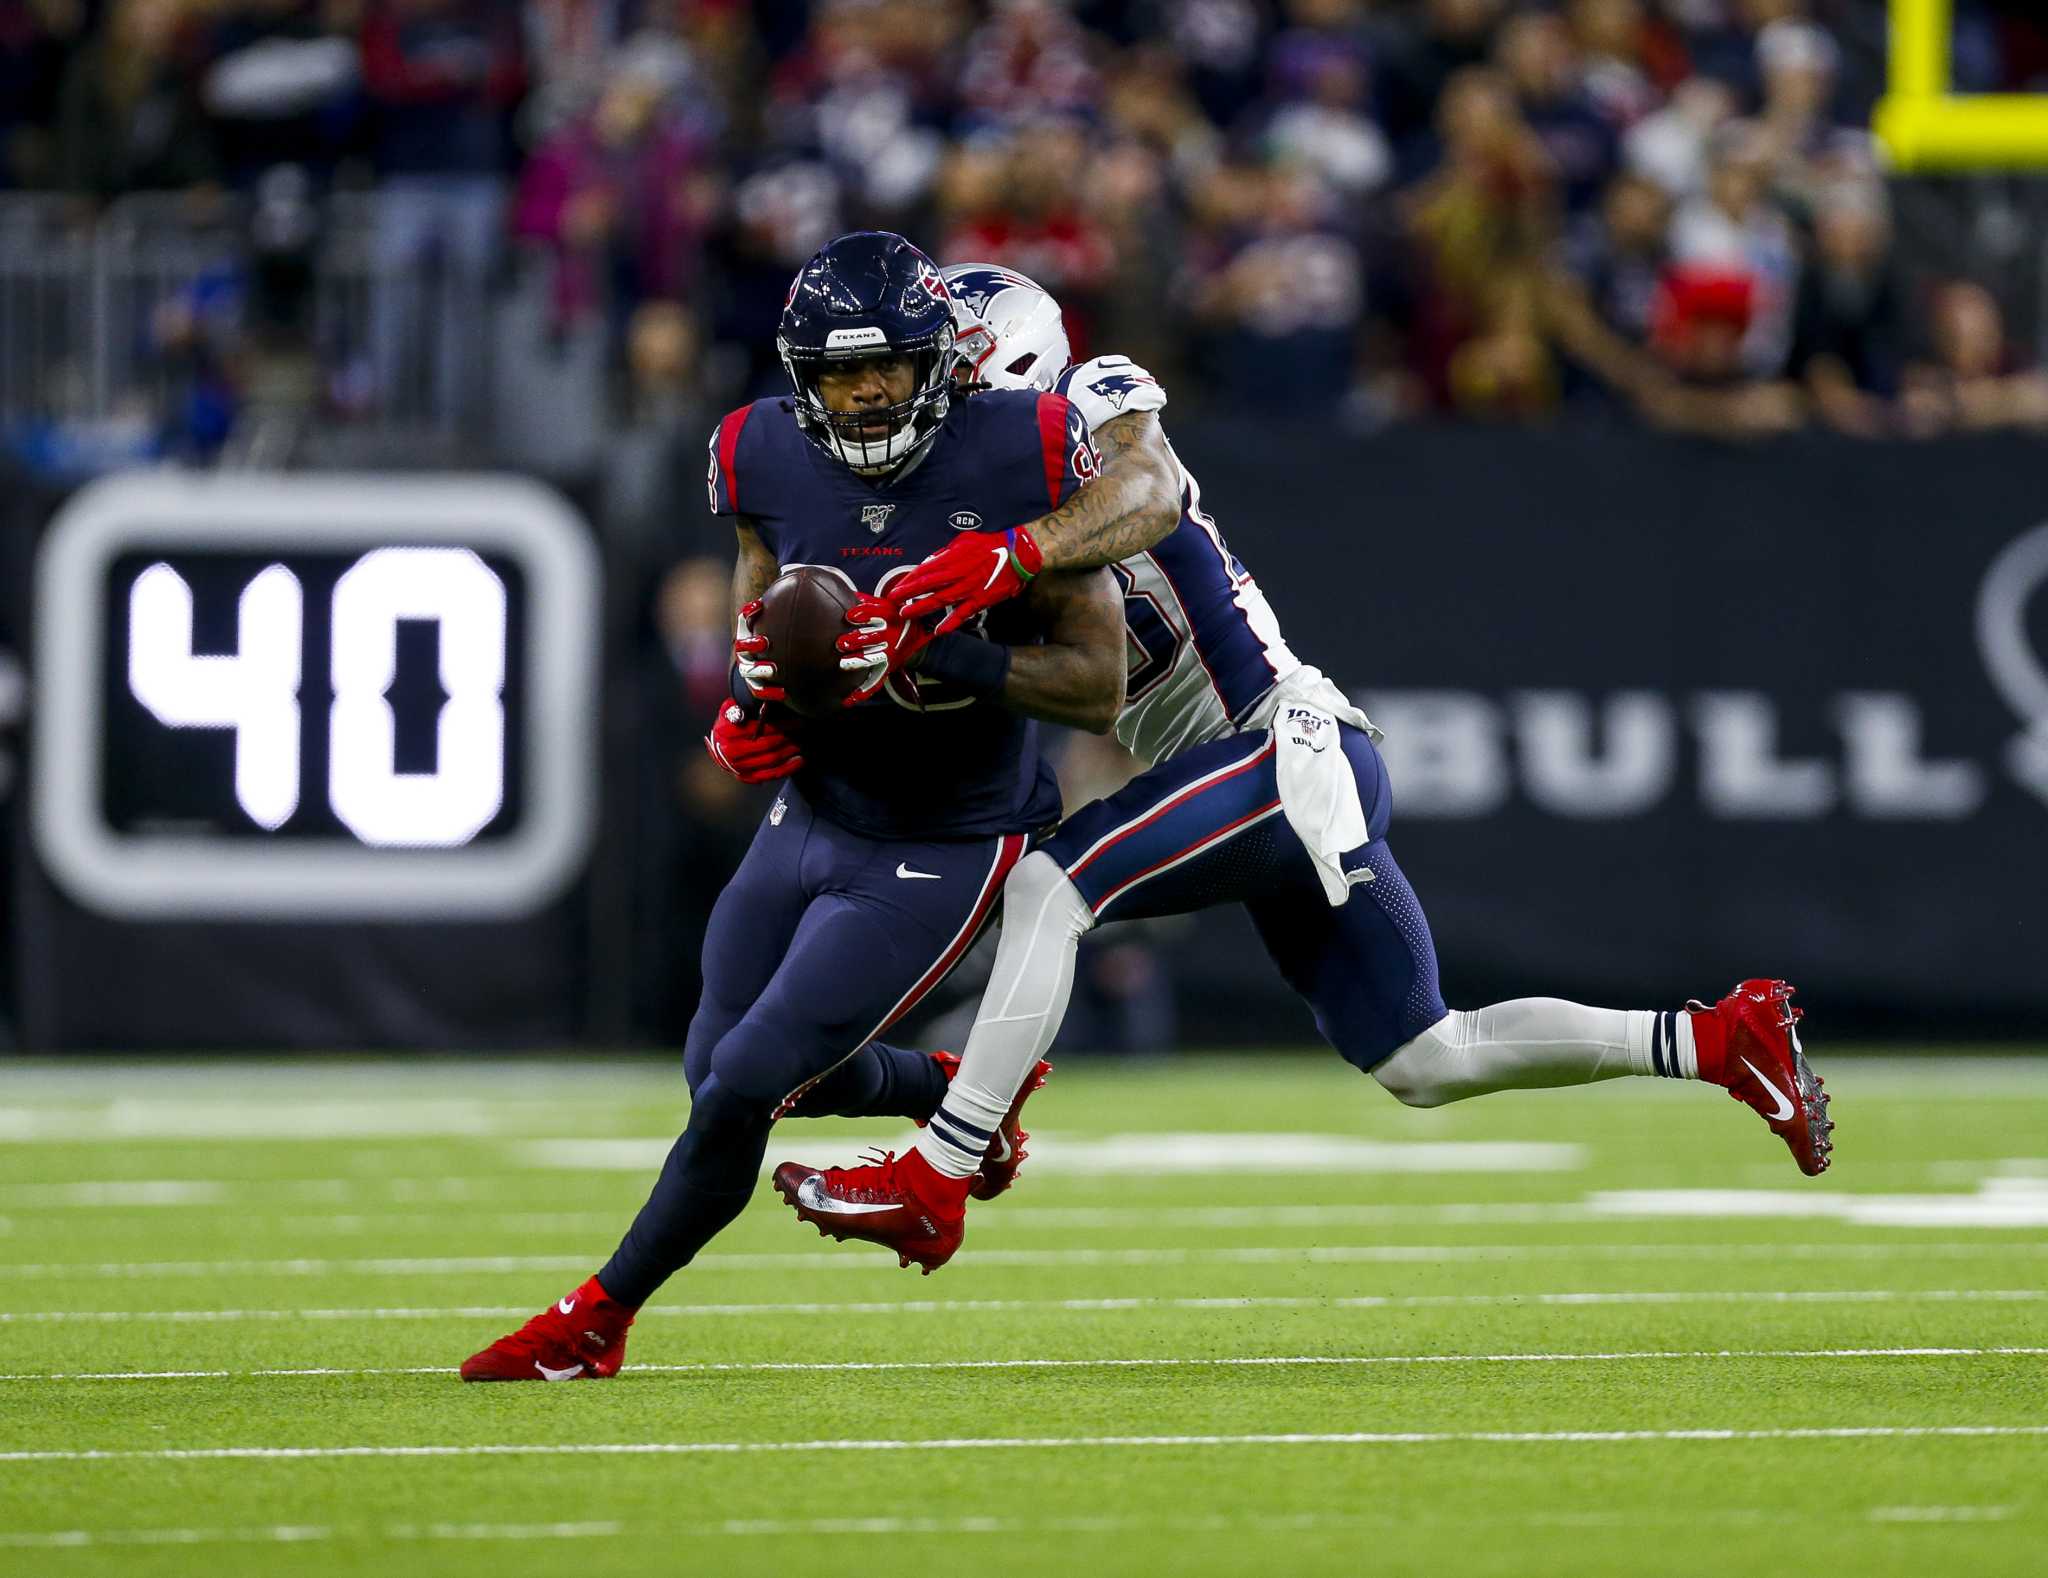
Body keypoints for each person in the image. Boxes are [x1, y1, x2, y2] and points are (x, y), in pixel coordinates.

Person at [773, 264, 1835, 1273]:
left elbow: (1141, 487)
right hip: (1254, 777)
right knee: (1426, 1056)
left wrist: (1002, 561)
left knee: (1051, 885)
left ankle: (942, 1171)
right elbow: (1050, 680)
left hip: (1280, 747)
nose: (934, 412)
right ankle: (1716, 1039)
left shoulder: (1094, 414)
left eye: (948, 380)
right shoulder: (986, 494)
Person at [458, 231, 1128, 1380]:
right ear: (796, 377)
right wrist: (750, 675)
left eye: (887, 369)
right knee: (712, 1064)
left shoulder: (1019, 454)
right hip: (814, 810)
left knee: (741, 1089)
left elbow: (1096, 683)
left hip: (945, 834)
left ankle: (591, 1322)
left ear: (941, 363)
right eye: (835, 373)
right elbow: (762, 568)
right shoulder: (757, 450)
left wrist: (949, 653)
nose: (864, 392)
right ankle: (960, 1088)